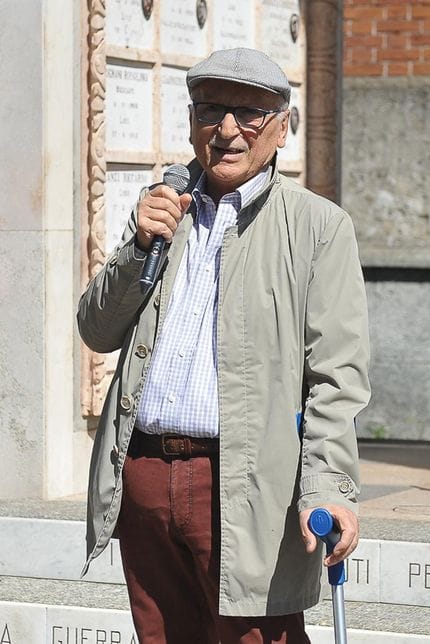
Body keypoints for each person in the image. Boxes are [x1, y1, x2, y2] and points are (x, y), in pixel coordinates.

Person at [77, 48, 370, 643]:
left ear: (281, 128)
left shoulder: (318, 227)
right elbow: (97, 329)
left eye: (250, 114)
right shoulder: (163, 211)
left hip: (242, 484)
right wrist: (139, 246)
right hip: (145, 474)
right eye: (211, 110)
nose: (228, 130)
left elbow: (336, 379)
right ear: (192, 122)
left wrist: (328, 486)